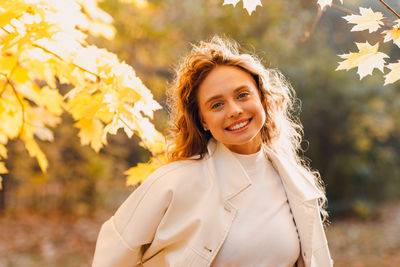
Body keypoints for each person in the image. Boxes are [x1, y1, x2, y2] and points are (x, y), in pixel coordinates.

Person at [92, 36, 333, 267]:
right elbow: (113, 254)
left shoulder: (295, 181)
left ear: (261, 97)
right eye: (217, 104)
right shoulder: (173, 183)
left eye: (242, 95)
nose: (235, 110)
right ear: (203, 121)